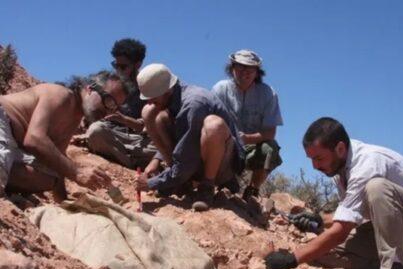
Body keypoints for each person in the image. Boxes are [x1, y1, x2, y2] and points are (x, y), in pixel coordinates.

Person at [264, 117, 403, 269]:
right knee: (324, 253)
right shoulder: (340, 170)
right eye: (311, 159)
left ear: (340, 149)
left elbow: (341, 231)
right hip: (395, 230)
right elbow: (351, 215)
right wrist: (319, 220)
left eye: (319, 158)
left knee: (377, 187)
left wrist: (292, 259)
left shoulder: (367, 164)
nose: (315, 166)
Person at [0, 71, 129, 201]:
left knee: (49, 179)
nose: (108, 111)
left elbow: (57, 162)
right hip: (3, 120)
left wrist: (64, 204)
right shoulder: (62, 95)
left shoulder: (74, 118)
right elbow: (34, 139)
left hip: (12, 143)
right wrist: (77, 172)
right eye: (108, 101)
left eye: (114, 108)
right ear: (90, 88)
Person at [135, 63, 245, 211]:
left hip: (223, 165)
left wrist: (152, 183)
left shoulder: (193, 103)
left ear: (167, 90)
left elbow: (187, 158)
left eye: (153, 97)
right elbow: (184, 140)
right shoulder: (174, 97)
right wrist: (156, 161)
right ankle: (182, 182)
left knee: (214, 126)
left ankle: (206, 187)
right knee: (149, 112)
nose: (149, 101)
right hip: (193, 158)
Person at [212, 49, 283, 202]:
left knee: (270, 148)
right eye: (240, 67)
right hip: (226, 145)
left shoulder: (268, 94)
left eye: (250, 68)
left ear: (257, 72)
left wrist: (246, 138)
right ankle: (212, 183)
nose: (245, 72)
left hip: (252, 147)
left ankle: (253, 190)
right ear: (232, 68)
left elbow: (270, 133)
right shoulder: (220, 89)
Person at [86, 38, 156, 169]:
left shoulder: (148, 87)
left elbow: (149, 126)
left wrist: (124, 120)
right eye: (115, 65)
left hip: (139, 139)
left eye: (123, 66)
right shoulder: (108, 83)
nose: (118, 70)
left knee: (161, 145)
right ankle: (132, 162)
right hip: (112, 134)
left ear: (138, 64)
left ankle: (122, 158)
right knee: (95, 131)